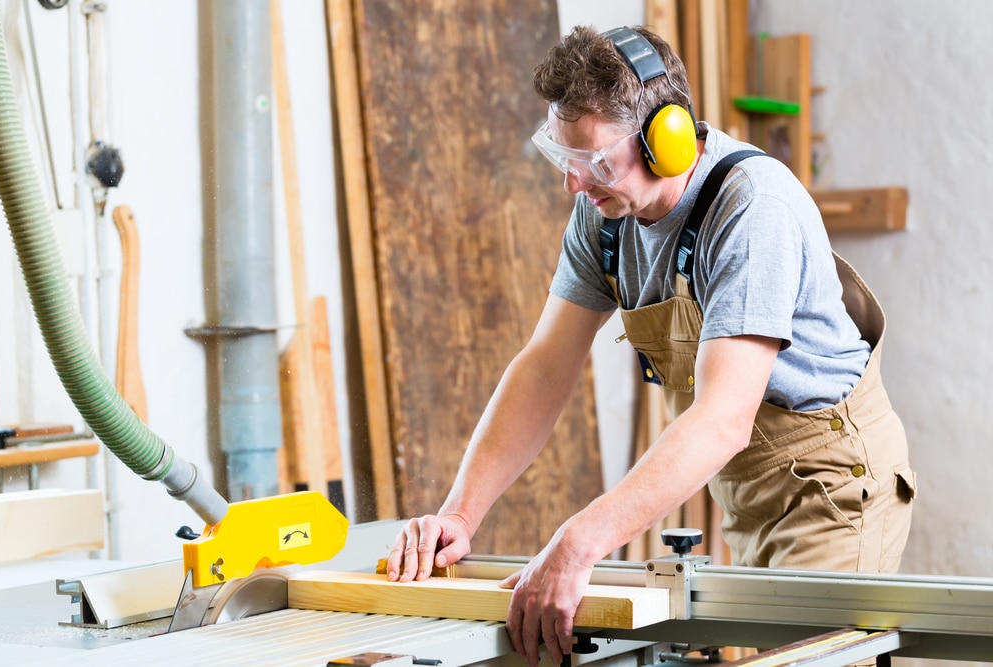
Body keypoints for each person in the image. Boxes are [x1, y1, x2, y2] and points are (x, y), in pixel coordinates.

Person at [386, 24, 915, 667]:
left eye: (595, 163)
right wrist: (460, 517)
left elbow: (723, 421)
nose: (574, 186)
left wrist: (580, 542)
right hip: (745, 499)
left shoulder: (751, 208)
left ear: (666, 140)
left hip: (833, 487)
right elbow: (544, 367)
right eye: (565, 161)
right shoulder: (603, 214)